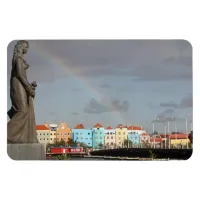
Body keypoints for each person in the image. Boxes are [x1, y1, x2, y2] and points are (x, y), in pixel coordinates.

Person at [7, 40, 38, 143]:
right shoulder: (18, 58)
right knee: (23, 110)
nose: (26, 49)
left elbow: (22, 75)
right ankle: (8, 134)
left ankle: (22, 136)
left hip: (20, 84)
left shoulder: (18, 58)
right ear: (20, 47)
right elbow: (20, 74)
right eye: (25, 47)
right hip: (17, 85)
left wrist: (29, 86)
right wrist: (29, 88)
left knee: (24, 110)